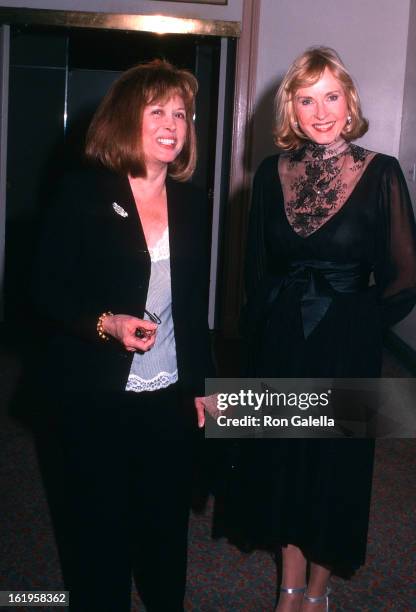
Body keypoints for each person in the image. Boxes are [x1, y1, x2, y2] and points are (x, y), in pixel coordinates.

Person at [199, 47, 416, 611]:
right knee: (284, 466)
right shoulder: (272, 175)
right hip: (281, 341)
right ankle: (290, 588)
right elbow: (256, 273)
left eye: (331, 96)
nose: (320, 111)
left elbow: (407, 279)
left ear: (349, 103)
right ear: (291, 110)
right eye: (307, 99)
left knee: (332, 471)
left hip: (347, 343)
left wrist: (360, 324)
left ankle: (319, 594)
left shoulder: (382, 173)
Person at [34, 59, 213, 612]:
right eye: (155, 110)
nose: (171, 123)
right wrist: (104, 323)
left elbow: (191, 307)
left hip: (169, 393)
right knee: (98, 529)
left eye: (179, 113)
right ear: (124, 121)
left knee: (163, 527)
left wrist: (203, 386)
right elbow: (43, 293)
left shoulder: (192, 202)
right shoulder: (82, 193)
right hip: (95, 392)